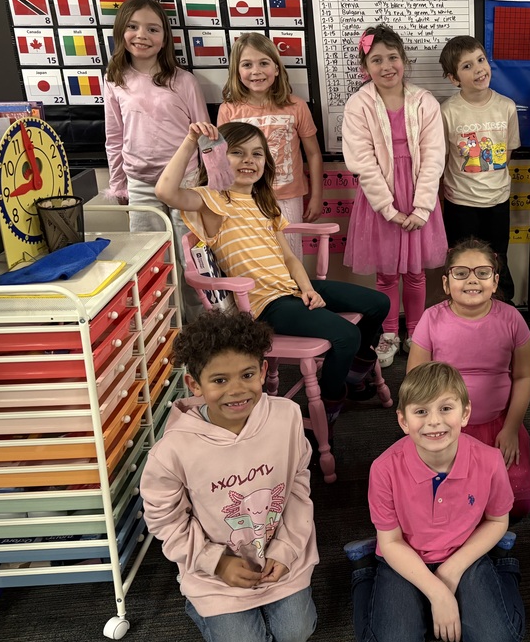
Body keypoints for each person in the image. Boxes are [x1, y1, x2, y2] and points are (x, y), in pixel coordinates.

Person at [155, 120, 390, 419]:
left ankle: (356, 369)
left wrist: (307, 288)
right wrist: (190, 140)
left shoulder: (264, 202)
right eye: (237, 152)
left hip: (290, 288)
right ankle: (332, 401)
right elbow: (164, 191)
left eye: (257, 154)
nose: (248, 161)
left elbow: (290, 258)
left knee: (378, 303)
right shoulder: (211, 201)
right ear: (215, 156)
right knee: (346, 335)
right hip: (265, 304)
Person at [141, 310, 318, 642]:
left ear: (263, 371)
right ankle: (202, 605)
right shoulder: (172, 450)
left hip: (280, 554)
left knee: (295, 636)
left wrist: (285, 549)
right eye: (219, 380)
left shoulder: (288, 417)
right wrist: (215, 562)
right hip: (214, 569)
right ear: (194, 383)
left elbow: (297, 486)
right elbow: (164, 519)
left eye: (247, 374)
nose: (236, 391)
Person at [348, 362, 525, 642]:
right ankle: (363, 571)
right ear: (404, 421)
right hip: (403, 556)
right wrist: (438, 593)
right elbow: (392, 542)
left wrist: (451, 571)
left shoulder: (490, 461)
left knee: (502, 641)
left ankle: (503, 564)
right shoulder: (383, 469)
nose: (434, 421)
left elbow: (496, 521)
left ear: (465, 413)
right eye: (421, 411)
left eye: (445, 408)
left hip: (464, 552)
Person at [406, 238, 530, 518]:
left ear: (495, 280)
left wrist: (512, 429)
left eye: (482, 272)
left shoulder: (512, 319)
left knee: (518, 503)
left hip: (498, 426)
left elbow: (524, 377)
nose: (472, 280)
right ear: (445, 283)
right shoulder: (431, 318)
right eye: (461, 273)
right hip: (443, 425)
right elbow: (415, 381)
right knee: (442, 501)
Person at [342, 25, 448, 367]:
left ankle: (416, 331)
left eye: (392, 57)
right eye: (376, 60)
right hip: (380, 199)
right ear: (365, 67)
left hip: (419, 195)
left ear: (404, 60)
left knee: (416, 272)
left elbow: (434, 156)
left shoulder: (425, 101)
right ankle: (388, 331)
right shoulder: (359, 105)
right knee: (386, 273)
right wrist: (388, 209)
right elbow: (361, 161)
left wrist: (421, 208)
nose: (386, 66)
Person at [104, 0, 209, 315]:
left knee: (192, 258)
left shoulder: (184, 81)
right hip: (140, 184)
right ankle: (162, 325)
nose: (142, 35)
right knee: (151, 260)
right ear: (121, 31)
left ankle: (203, 325)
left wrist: (214, 186)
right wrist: (118, 184)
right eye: (133, 27)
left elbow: (206, 138)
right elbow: (114, 136)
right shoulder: (115, 81)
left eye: (153, 29)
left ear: (165, 38)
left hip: (184, 184)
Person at [218, 32, 324, 260]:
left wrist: (316, 196)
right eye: (247, 64)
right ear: (237, 71)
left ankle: (296, 295)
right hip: (245, 197)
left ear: (276, 68)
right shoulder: (229, 110)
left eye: (264, 63)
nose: (256, 71)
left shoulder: (296, 106)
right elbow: (222, 160)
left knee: (291, 256)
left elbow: (313, 154)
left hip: (288, 197)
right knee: (253, 259)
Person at [438, 36, 520, 303]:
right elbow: (443, 158)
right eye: (467, 66)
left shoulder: (506, 106)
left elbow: (506, 154)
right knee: (461, 263)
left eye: (481, 60)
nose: (478, 69)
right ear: (454, 79)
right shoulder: (448, 111)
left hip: (497, 200)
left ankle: (502, 317)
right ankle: (462, 316)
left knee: (497, 261)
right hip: (460, 203)